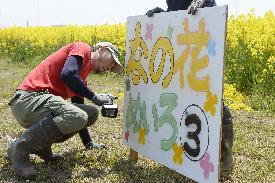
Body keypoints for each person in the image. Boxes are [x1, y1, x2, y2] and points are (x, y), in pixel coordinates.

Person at [7, 41, 123, 179]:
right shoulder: (82, 48)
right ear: (102, 49)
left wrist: (88, 143)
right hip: (28, 101)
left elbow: (80, 112)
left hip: (39, 106)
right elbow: (67, 74)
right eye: (111, 61)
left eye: (112, 67)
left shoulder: (81, 77)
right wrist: (94, 96)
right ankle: (19, 148)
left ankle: (41, 146)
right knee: (78, 115)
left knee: (90, 113)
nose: (109, 68)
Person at [146, 0, 234, 172]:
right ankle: (185, 152)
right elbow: (177, 13)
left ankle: (225, 155)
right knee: (183, 99)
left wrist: (206, 2)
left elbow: (215, 18)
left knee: (215, 102)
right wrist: (162, 14)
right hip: (182, 48)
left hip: (204, 44)